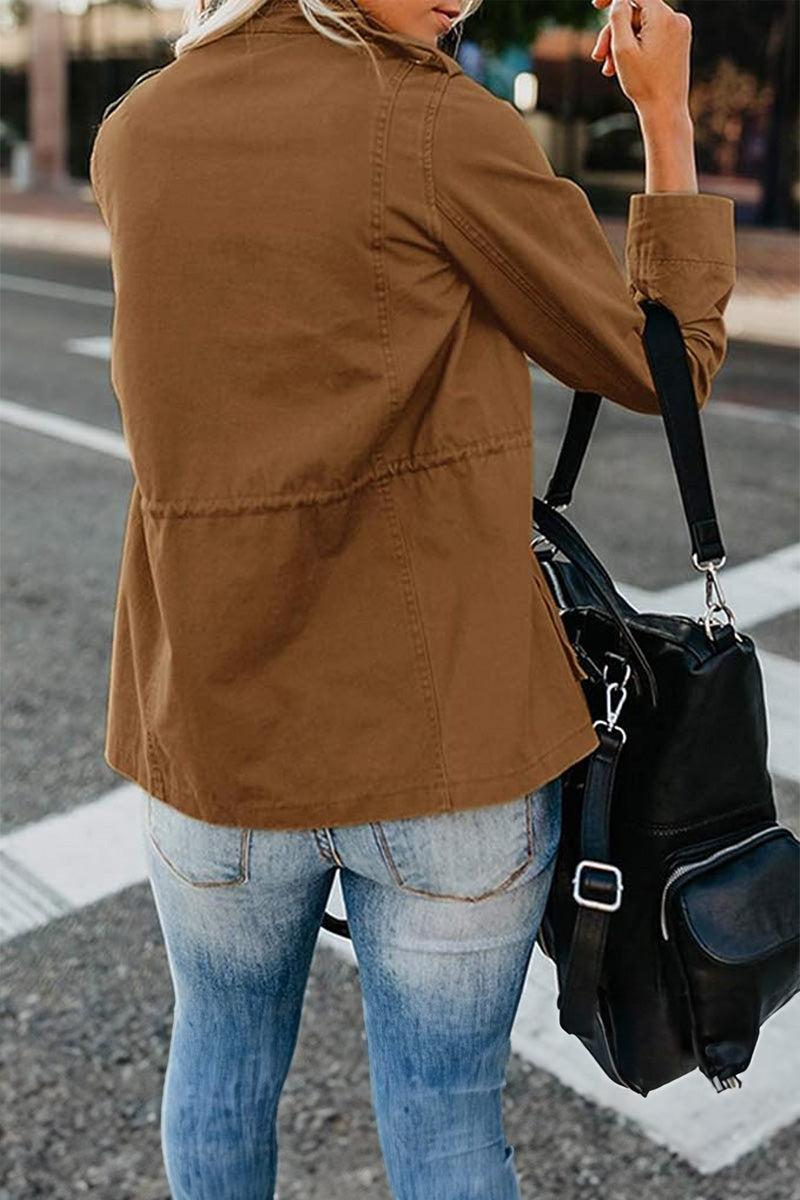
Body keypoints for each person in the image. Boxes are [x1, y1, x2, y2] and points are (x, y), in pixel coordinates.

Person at [88, 0, 736, 1196]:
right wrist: (661, 114)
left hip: (218, 738)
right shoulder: (443, 128)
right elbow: (665, 366)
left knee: (219, 1067)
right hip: (447, 751)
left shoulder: (135, 133)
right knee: (443, 1122)